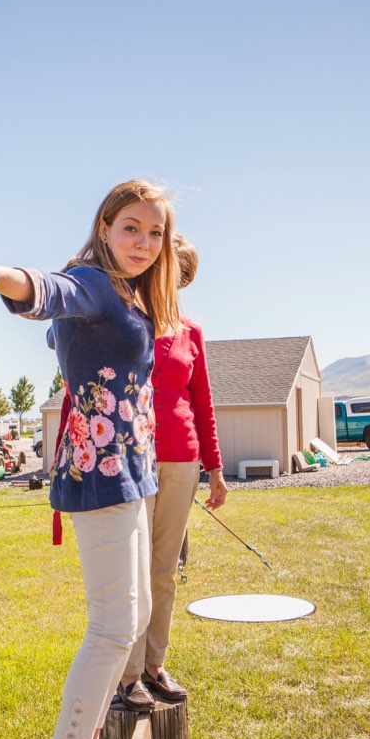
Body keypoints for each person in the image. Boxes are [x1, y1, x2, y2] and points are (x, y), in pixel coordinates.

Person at [0, 180, 180, 739]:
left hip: (134, 472)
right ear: (104, 227)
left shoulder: (135, 293)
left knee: (131, 620)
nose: (144, 242)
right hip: (102, 475)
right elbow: (45, 289)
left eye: (155, 232)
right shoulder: (95, 283)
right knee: (113, 627)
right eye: (131, 227)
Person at [118, 233, 227, 711]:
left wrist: (216, 469)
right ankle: (125, 674)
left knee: (164, 571)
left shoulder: (191, 331)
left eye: (183, 276)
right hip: (133, 457)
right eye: (169, 271)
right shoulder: (126, 323)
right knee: (133, 572)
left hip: (183, 459)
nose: (174, 282)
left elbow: (202, 404)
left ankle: (153, 665)